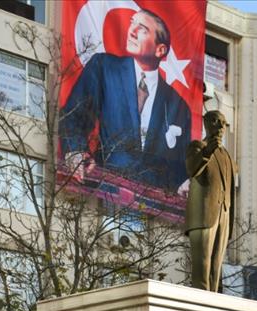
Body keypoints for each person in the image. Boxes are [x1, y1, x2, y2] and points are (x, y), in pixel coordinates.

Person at [60, 9, 193, 193]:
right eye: (132, 22)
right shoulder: (104, 67)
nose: (131, 31)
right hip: (103, 192)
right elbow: (74, 116)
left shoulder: (178, 105)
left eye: (143, 29)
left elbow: (179, 164)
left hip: (153, 206)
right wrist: (75, 151)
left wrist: (183, 182)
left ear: (160, 49)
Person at [186, 111, 236, 292]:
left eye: (224, 123)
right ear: (206, 123)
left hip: (224, 213)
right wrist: (207, 151)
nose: (221, 126)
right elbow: (192, 169)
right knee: (203, 265)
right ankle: (201, 306)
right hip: (204, 214)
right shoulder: (197, 146)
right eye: (216, 121)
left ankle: (212, 305)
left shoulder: (227, 156)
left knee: (216, 266)